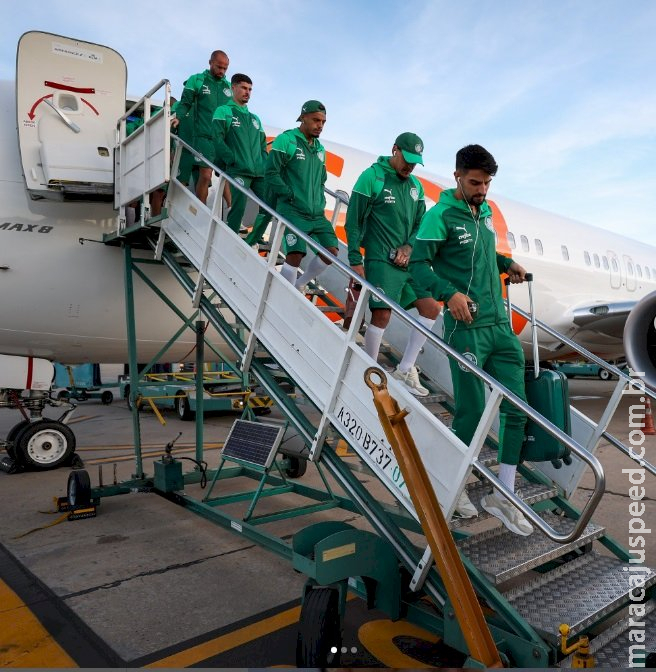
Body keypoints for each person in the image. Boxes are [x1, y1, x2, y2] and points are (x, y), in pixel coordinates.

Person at [410, 144, 532, 535]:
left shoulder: (484, 217)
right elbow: (418, 264)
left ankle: (504, 494)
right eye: (476, 182)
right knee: (472, 413)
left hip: (499, 327)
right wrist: (448, 293)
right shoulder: (441, 215)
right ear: (458, 176)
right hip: (466, 329)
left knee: (517, 410)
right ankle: (451, 483)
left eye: (487, 184)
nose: (482, 190)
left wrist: (505, 263)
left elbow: (480, 256)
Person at [344, 132, 441, 397]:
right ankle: (370, 374)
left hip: (409, 261)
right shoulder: (372, 177)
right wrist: (355, 259)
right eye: (407, 159)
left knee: (431, 308)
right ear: (394, 150)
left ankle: (405, 369)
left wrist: (409, 246)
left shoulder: (416, 187)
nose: (410, 166)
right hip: (380, 258)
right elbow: (353, 222)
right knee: (382, 315)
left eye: (415, 162)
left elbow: (422, 224)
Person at [264, 101, 338, 288]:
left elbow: (321, 180)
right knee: (296, 254)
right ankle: (287, 295)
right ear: (303, 117)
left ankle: (299, 284)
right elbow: (271, 172)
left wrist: (319, 202)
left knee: (331, 251)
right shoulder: (287, 140)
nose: (320, 125)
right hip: (292, 209)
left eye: (323, 122)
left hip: (315, 212)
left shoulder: (320, 149)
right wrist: (289, 195)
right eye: (316, 120)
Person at [173, 50, 233, 205]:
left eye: (225, 68)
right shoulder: (197, 80)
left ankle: (232, 212)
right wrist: (178, 117)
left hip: (223, 140)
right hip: (203, 137)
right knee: (206, 175)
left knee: (227, 177)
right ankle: (202, 210)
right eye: (219, 67)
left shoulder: (229, 88)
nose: (222, 71)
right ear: (210, 62)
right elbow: (185, 102)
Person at [212, 74, 268, 234]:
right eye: (244, 88)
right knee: (239, 206)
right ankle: (230, 237)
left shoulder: (255, 118)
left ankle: (256, 237)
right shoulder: (224, 111)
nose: (247, 92)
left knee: (270, 206)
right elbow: (217, 139)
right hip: (238, 170)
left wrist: (263, 164)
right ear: (233, 88)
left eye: (250, 89)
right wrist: (232, 160)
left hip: (258, 171)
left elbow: (263, 145)